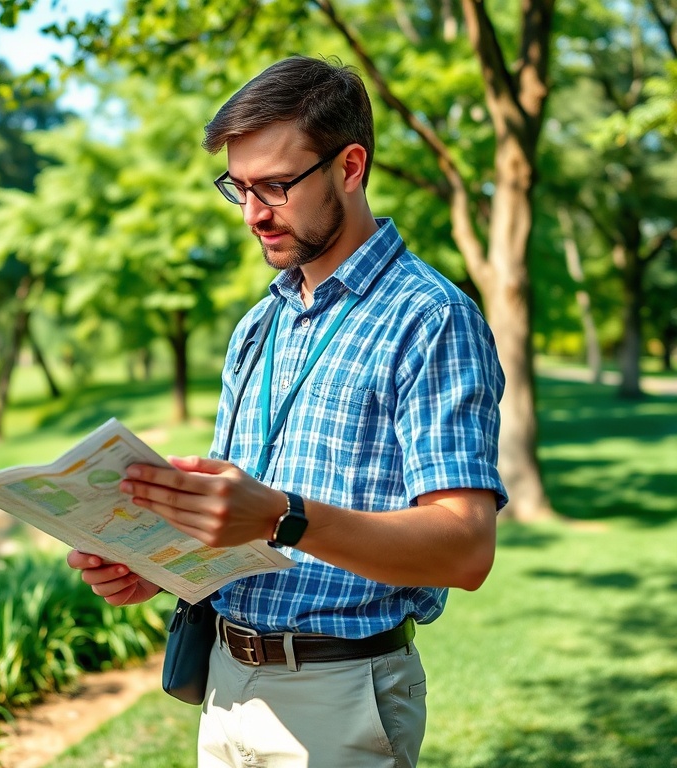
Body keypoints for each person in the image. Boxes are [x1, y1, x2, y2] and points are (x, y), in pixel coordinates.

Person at [67, 54, 507, 768]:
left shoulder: (432, 320)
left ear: (350, 166)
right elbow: (236, 528)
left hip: (341, 695)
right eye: (237, 189)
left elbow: (466, 549)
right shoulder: (257, 328)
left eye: (274, 185)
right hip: (225, 687)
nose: (252, 215)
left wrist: (283, 516)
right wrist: (156, 565)